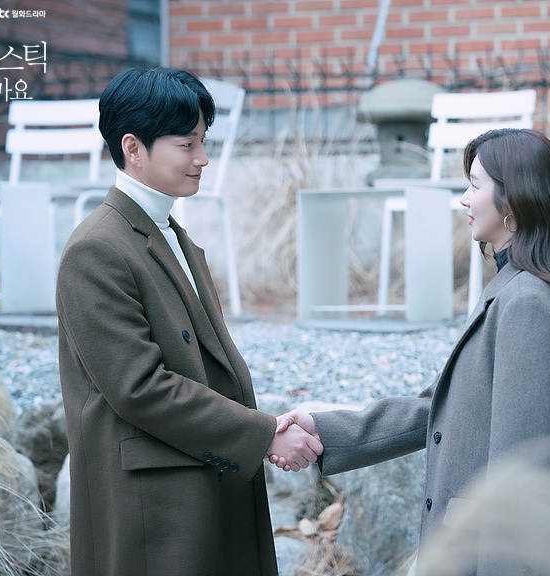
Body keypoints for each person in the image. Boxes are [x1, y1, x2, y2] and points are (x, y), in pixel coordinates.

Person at [272, 128, 550, 575]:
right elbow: (440, 407)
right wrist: (324, 427)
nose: (464, 199)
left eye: (475, 185)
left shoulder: (526, 303)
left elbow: (523, 478)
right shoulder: (511, 290)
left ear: (514, 200)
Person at [56, 66, 322, 576]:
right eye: (186, 144)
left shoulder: (174, 236)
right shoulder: (96, 250)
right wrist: (263, 434)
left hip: (197, 474)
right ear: (133, 148)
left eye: (203, 141)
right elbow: (140, 387)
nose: (202, 158)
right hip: (151, 505)